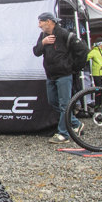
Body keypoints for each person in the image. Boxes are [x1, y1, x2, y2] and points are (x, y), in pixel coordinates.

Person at [33, 13, 84, 143]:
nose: (39, 25)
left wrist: (73, 68)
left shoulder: (64, 34)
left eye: (40, 22)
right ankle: (76, 124)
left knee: (64, 105)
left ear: (49, 21)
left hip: (64, 76)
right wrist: (43, 43)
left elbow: (83, 51)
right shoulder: (43, 36)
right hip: (51, 76)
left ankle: (63, 134)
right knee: (53, 102)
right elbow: (36, 52)